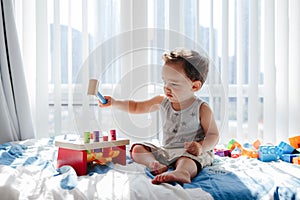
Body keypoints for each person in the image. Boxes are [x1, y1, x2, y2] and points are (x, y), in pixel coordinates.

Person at [98, 48, 219, 185]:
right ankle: (154, 165)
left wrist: (201, 147)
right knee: (137, 148)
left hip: (191, 153)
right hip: (168, 151)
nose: (166, 88)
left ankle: (182, 172)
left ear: (195, 86)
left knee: (187, 161)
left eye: (173, 84)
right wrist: (115, 102)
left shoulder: (201, 108)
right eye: (164, 82)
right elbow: (136, 107)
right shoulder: (162, 101)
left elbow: (213, 135)